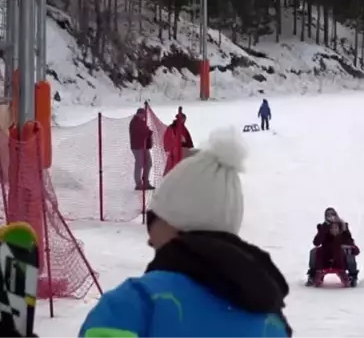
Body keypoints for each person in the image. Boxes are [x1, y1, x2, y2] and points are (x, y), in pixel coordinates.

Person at [79, 128, 292, 338]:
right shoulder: (273, 323)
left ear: (174, 226)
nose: (149, 240)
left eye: (153, 224)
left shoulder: (132, 307)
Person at [306, 207, 360, 286]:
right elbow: (316, 242)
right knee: (314, 251)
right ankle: (312, 274)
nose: (334, 230)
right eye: (331, 228)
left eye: (336, 228)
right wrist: (324, 227)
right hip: (325, 260)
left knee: (349, 252)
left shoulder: (344, 233)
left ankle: (352, 276)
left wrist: (351, 248)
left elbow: (353, 247)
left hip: (340, 261)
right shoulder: (324, 232)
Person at [163, 107, 194, 175]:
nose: (184, 120)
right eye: (183, 119)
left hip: (178, 150)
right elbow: (171, 139)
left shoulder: (180, 127)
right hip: (177, 150)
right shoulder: (174, 128)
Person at [129, 108, 154, 190]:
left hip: (144, 146)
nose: (144, 116)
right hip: (137, 147)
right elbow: (140, 132)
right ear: (139, 114)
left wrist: (148, 133)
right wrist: (148, 132)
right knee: (139, 164)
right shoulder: (134, 122)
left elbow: (146, 131)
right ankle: (138, 184)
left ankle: (146, 182)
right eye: (143, 114)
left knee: (149, 163)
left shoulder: (142, 122)